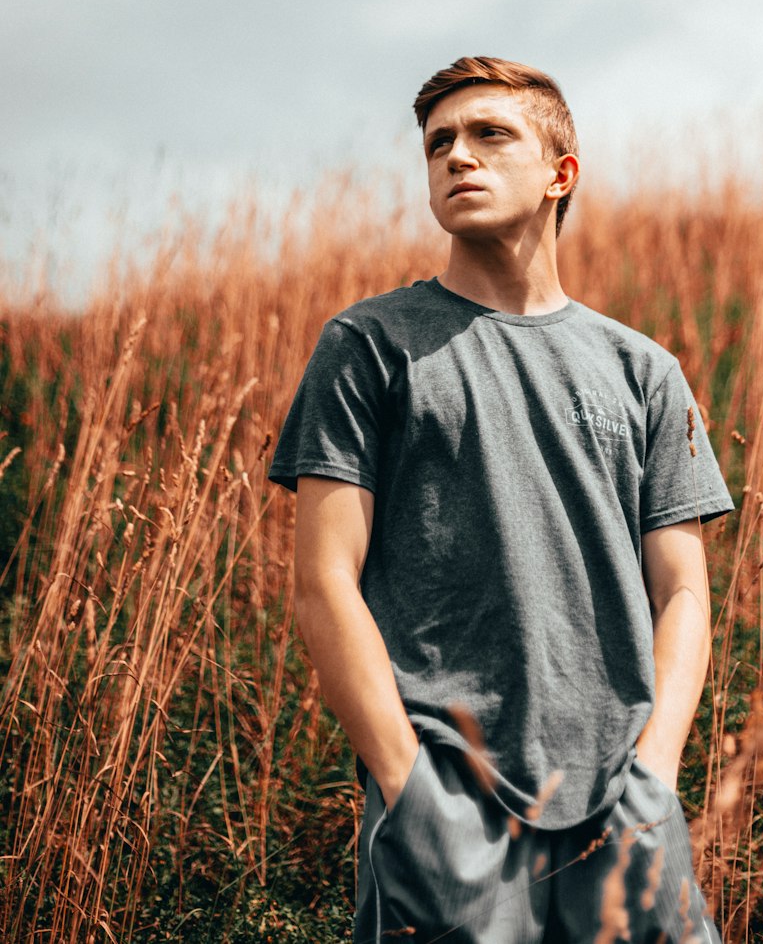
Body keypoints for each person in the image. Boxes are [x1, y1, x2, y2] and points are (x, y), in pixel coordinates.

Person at [269, 55, 733, 944]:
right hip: (449, 798)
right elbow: (323, 582)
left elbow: (682, 592)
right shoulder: (369, 345)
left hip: (624, 808)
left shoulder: (643, 370)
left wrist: (655, 776)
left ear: (561, 174)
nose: (456, 158)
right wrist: (407, 785)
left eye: (489, 135)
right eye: (439, 142)